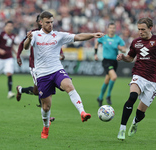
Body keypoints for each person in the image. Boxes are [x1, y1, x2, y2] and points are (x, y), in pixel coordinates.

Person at [24, 10, 104, 139]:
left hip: (56, 70)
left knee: (69, 85)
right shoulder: (35, 35)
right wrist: (28, 39)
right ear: (41, 22)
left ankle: (82, 112)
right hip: (42, 74)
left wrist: (93, 35)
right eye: (47, 22)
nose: (50, 25)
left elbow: (78, 37)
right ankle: (45, 127)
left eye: (52, 22)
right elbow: (26, 47)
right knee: (46, 107)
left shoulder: (58, 35)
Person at [116, 17, 156, 140]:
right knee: (132, 97)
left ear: (150, 28)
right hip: (138, 75)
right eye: (139, 29)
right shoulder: (135, 42)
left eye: (143, 29)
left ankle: (135, 122)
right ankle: (122, 129)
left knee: (140, 114)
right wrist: (123, 57)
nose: (140, 32)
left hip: (154, 80)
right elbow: (130, 58)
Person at [16, 14, 65, 108]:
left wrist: (61, 53)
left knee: (36, 91)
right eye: (40, 21)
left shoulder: (51, 33)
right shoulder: (33, 33)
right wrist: (18, 56)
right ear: (39, 22)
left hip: (47, 66)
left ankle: (21, 90)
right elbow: (22, 44)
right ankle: (46, 113)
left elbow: (55, 43)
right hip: (35, 65)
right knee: (41, 87)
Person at [94, 22, 126, 107]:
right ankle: (108, 96)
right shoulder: (104, 37)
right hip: (106, 61)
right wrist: (95, 54)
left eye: (113, 28)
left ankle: (100, 97)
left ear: (115, 29)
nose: (112, 29)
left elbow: (124, 48)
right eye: (110, 28)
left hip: (114, 62)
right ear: (108, 29)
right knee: (114, 77)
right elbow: (97, 43)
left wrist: (122, 50)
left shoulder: (118, 39)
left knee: (107, 80)